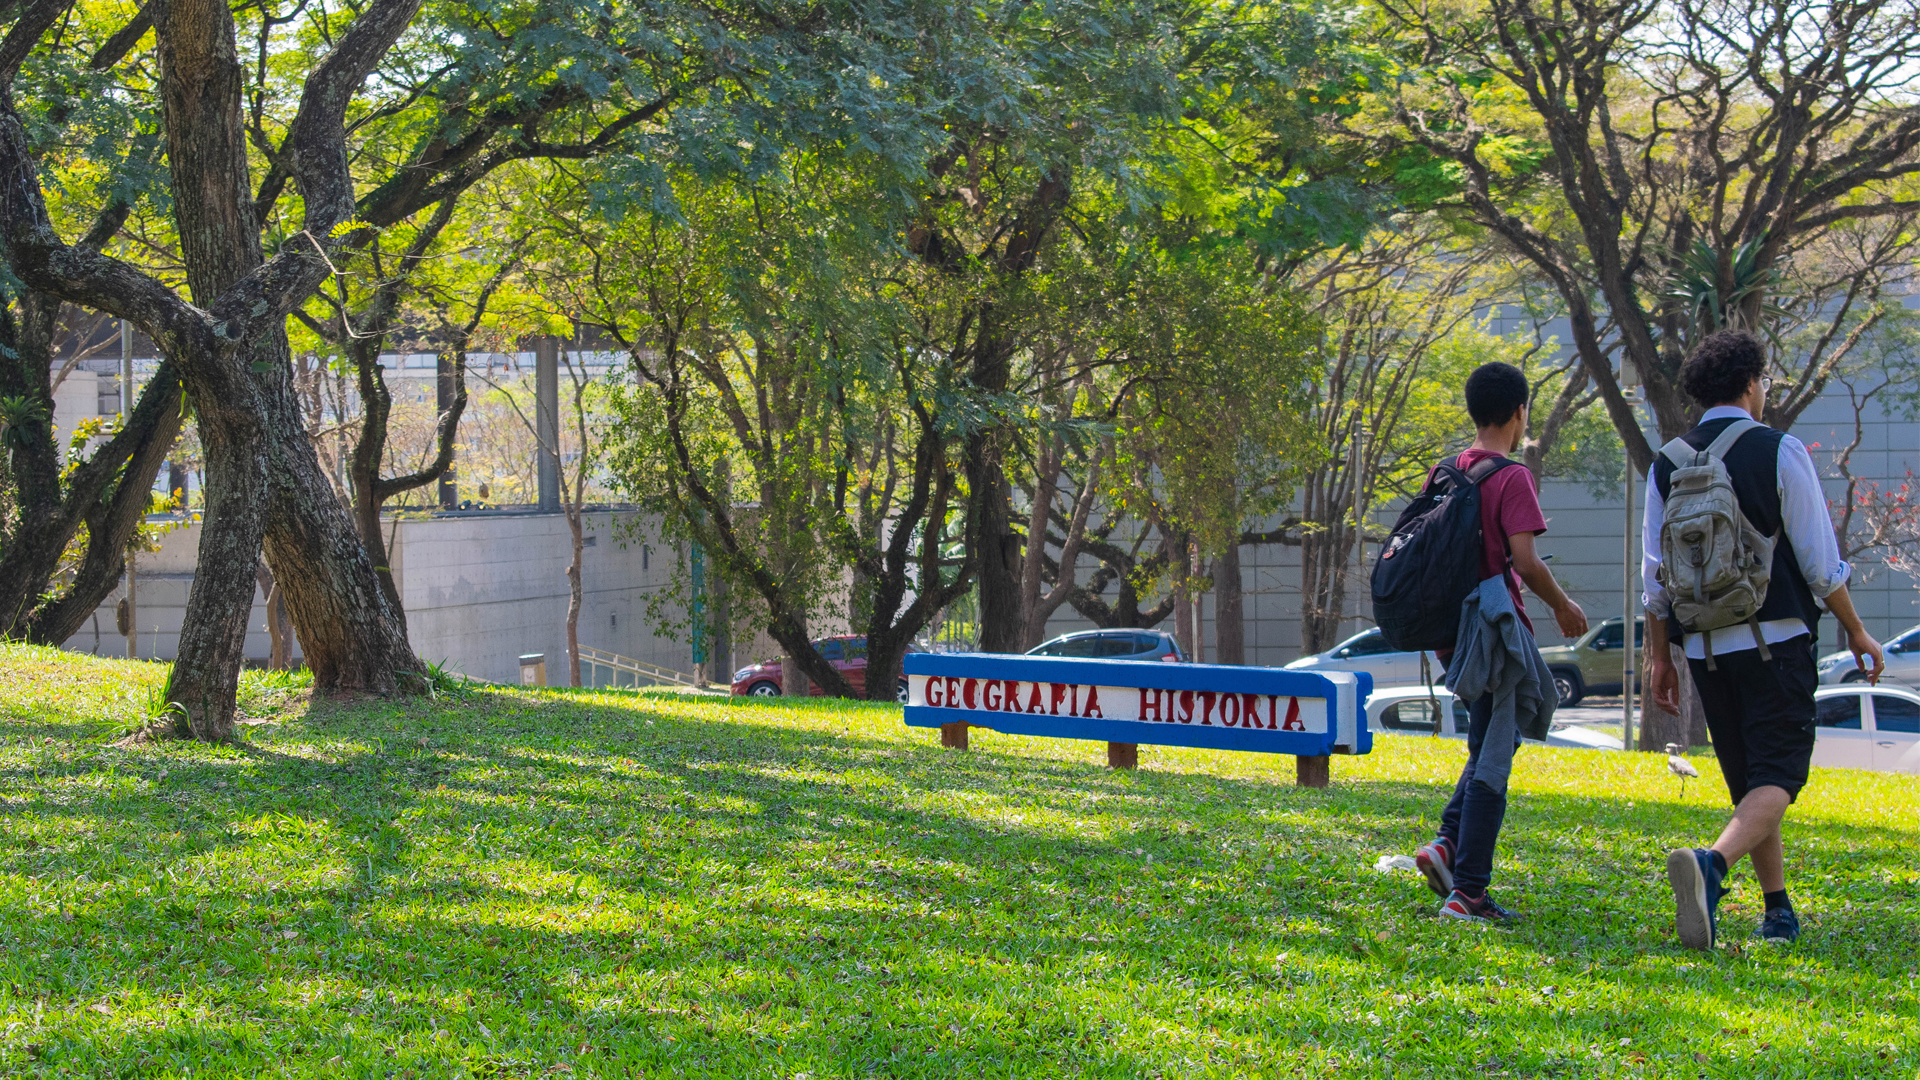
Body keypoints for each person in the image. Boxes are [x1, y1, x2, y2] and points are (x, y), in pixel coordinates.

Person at [1643, 329, 1884, 950]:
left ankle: (1778, 911)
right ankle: (1711, 867)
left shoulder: (1666, 461)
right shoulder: (1777, 449)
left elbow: (1655, 576)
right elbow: (1818, 560)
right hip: (1776, 640)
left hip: (1703, 650)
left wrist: (1658, 655)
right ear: (1750, 384)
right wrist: (1855, 628)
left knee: (1751, 783)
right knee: (1779, 776)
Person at [1414, 362, 1588, 922]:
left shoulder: (1443, 472)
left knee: (1493, 737)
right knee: (1494, 755)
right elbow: (1525, 561)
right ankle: (1469, 891)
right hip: (1495, 630)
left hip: (1451, 635)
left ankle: (1445, 844)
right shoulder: (1512, 477)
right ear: (1520, 412)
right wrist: (1563, 605)